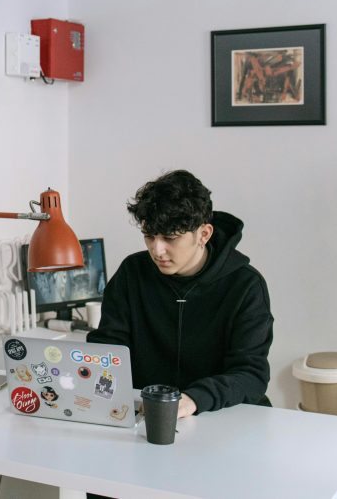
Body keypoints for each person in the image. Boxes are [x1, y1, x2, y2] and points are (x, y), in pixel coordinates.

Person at [87, 169, 273, 420]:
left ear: (203, 234)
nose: (157, 249)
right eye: (149, 236)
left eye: (169, 238)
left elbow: (251, 375)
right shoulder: (132, 273)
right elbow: (109, 348)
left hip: (224, 416)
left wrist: (194, 399)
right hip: (148, 415)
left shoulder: (245, 286)